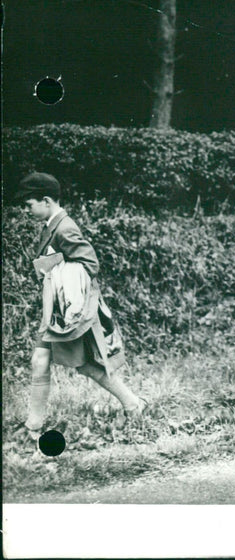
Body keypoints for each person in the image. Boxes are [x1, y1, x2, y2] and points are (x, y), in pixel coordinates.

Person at [15, 172, 144, 444]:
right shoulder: (53, 223)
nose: (27, 210)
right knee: (40, 361)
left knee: (86, 365)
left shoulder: (65, 227)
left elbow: (91, 265)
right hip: (57, 312)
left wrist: (51, 266)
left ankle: (133, 404)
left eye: (29, 204)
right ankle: (33, 426)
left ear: (46, 200)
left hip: (73, 313)